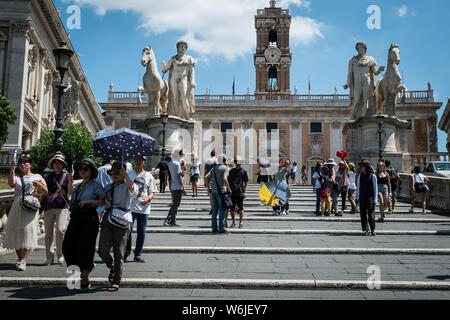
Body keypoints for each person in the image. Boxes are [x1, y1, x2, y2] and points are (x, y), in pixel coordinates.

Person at [62, 158, 104, 289]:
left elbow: (104, 202)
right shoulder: (77, 187)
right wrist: (64, 196)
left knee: (85, 248)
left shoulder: (96, 185)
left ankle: (84, 277)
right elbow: (72, 204)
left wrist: (89, 202)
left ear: (91, 171)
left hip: (89, 219)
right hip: (75, 218)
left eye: (86, 168)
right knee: (67, 247)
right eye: (81, 168)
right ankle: (77, 272)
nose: (82, 171)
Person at [98, 162, 138, 292]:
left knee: (119, 253)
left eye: (117, 173)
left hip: (121, 221)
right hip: (108, 218)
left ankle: (116, 280)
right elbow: (102, 200)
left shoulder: (127, 185)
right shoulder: (108, 187)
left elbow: (134, 191)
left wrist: (126, 175)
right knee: (102, 250)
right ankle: (113, 267)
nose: (114, 175)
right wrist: (100, 198)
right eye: (113, 173)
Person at [4, 155, 48, 271]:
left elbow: (45, 191)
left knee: (28, 231)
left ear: (30, 164)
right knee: (17, 231)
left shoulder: (37, 176)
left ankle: (24, 260)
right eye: (21, 163)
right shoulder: (18, 177)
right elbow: (11, 183)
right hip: (18, 205)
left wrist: (39, 185)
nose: (23, 165)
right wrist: (12, 169)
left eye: (26, 163)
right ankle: (20, 259)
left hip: (31, 205)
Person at [42, 153, 73, 265]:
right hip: (49, 206)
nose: (57, 165)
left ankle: (60, 255)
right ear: (53, 165)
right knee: (48, 233)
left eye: (60, 163)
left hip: (61, 206)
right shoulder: (48, 177)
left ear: (63, 165)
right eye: (55, 163)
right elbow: (44, 192)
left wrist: (70, 180)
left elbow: (70, 191)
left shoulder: (66, 176)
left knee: (60, 231)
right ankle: (49, 257)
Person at [125, 156, 157, 263]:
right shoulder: (129, 174)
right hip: (130, 207)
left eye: (141, 160)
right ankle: (127, 250)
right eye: (136, 159)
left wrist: (148, 199)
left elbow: (153, 191)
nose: (138, 161)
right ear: (134, 161)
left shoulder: (149, 176)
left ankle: (137, 254)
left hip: (144, 208)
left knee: (141, 232)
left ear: (144, 162)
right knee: (127, 230)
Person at [344, 41, 384, 119]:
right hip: (357, 82)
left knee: (366, 99)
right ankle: (354, 116)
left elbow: (375, 72)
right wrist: (347, 83)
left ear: (365, 49)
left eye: (361, 47)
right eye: (358, 48)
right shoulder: (352, 61)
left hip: (367, 80)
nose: (359, 49)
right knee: (357, 100)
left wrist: (379, 70)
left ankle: (364, 117)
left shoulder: (370, 60)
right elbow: (349, 74)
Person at [161, 40, 196, 119]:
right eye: (181, 46)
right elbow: (165, 70)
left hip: (183, 78)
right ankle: (176, 116)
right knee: (174, 97)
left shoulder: (189, 58)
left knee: (184, 97)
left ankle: (188, 116)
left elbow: (192, 71)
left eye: (185, 47)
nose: (183, 48)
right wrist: (163, 65)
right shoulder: (173, 58)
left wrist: (193, 81)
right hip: (174, 78)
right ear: (178, 47)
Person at [205, 154, 231, 234]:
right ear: (224, 161)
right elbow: (225, 179)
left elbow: (206, 177)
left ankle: (214, 228)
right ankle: (222, 228)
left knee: (214, 210)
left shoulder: (214, 168)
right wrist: (229, 189)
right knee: (222, 210)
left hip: (214, 192)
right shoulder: (225, 168)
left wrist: (208, 187)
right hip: (222, 192)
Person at [356, 160, 378, 236]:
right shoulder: (360, 176)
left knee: (371, 213)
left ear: (365, 167)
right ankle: (366, 229)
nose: (360, 168)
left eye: (362, 166)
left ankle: (372, 229)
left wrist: (375, 199)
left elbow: (375, 188)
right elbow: (358, 187)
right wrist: (357, 197)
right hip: (362, 197)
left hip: (370, 198)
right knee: (363, 214)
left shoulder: (373, 176)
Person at [164, 150, 187, 226]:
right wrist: (183, 187)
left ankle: (172, 220)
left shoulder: (169, 164)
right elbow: (179, 176)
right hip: (177, 186)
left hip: (173, 185)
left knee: (175, 204)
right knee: (175, 204)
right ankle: (169, 219)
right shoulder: (177, 164)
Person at [228, 157, 248, 228]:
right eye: (236, 161)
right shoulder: (231, 171)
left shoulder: (244, 171)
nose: (237, 163)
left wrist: (245, 192)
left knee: (241, 207)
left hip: (240, 191)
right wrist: (229, 190)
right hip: (232, 191)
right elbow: (228, 182)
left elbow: (245, 183)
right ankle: (233, 222)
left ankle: (241, 222)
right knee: (232, 208)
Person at [204, 150, 218, 215]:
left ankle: (212, 207)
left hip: (209, 180)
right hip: (216, 180)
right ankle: (216, 207)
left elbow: (205, 171)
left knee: (211, 195)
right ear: (215, 154)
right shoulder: (217, 160)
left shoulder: (207, 161)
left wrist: (205, 181)